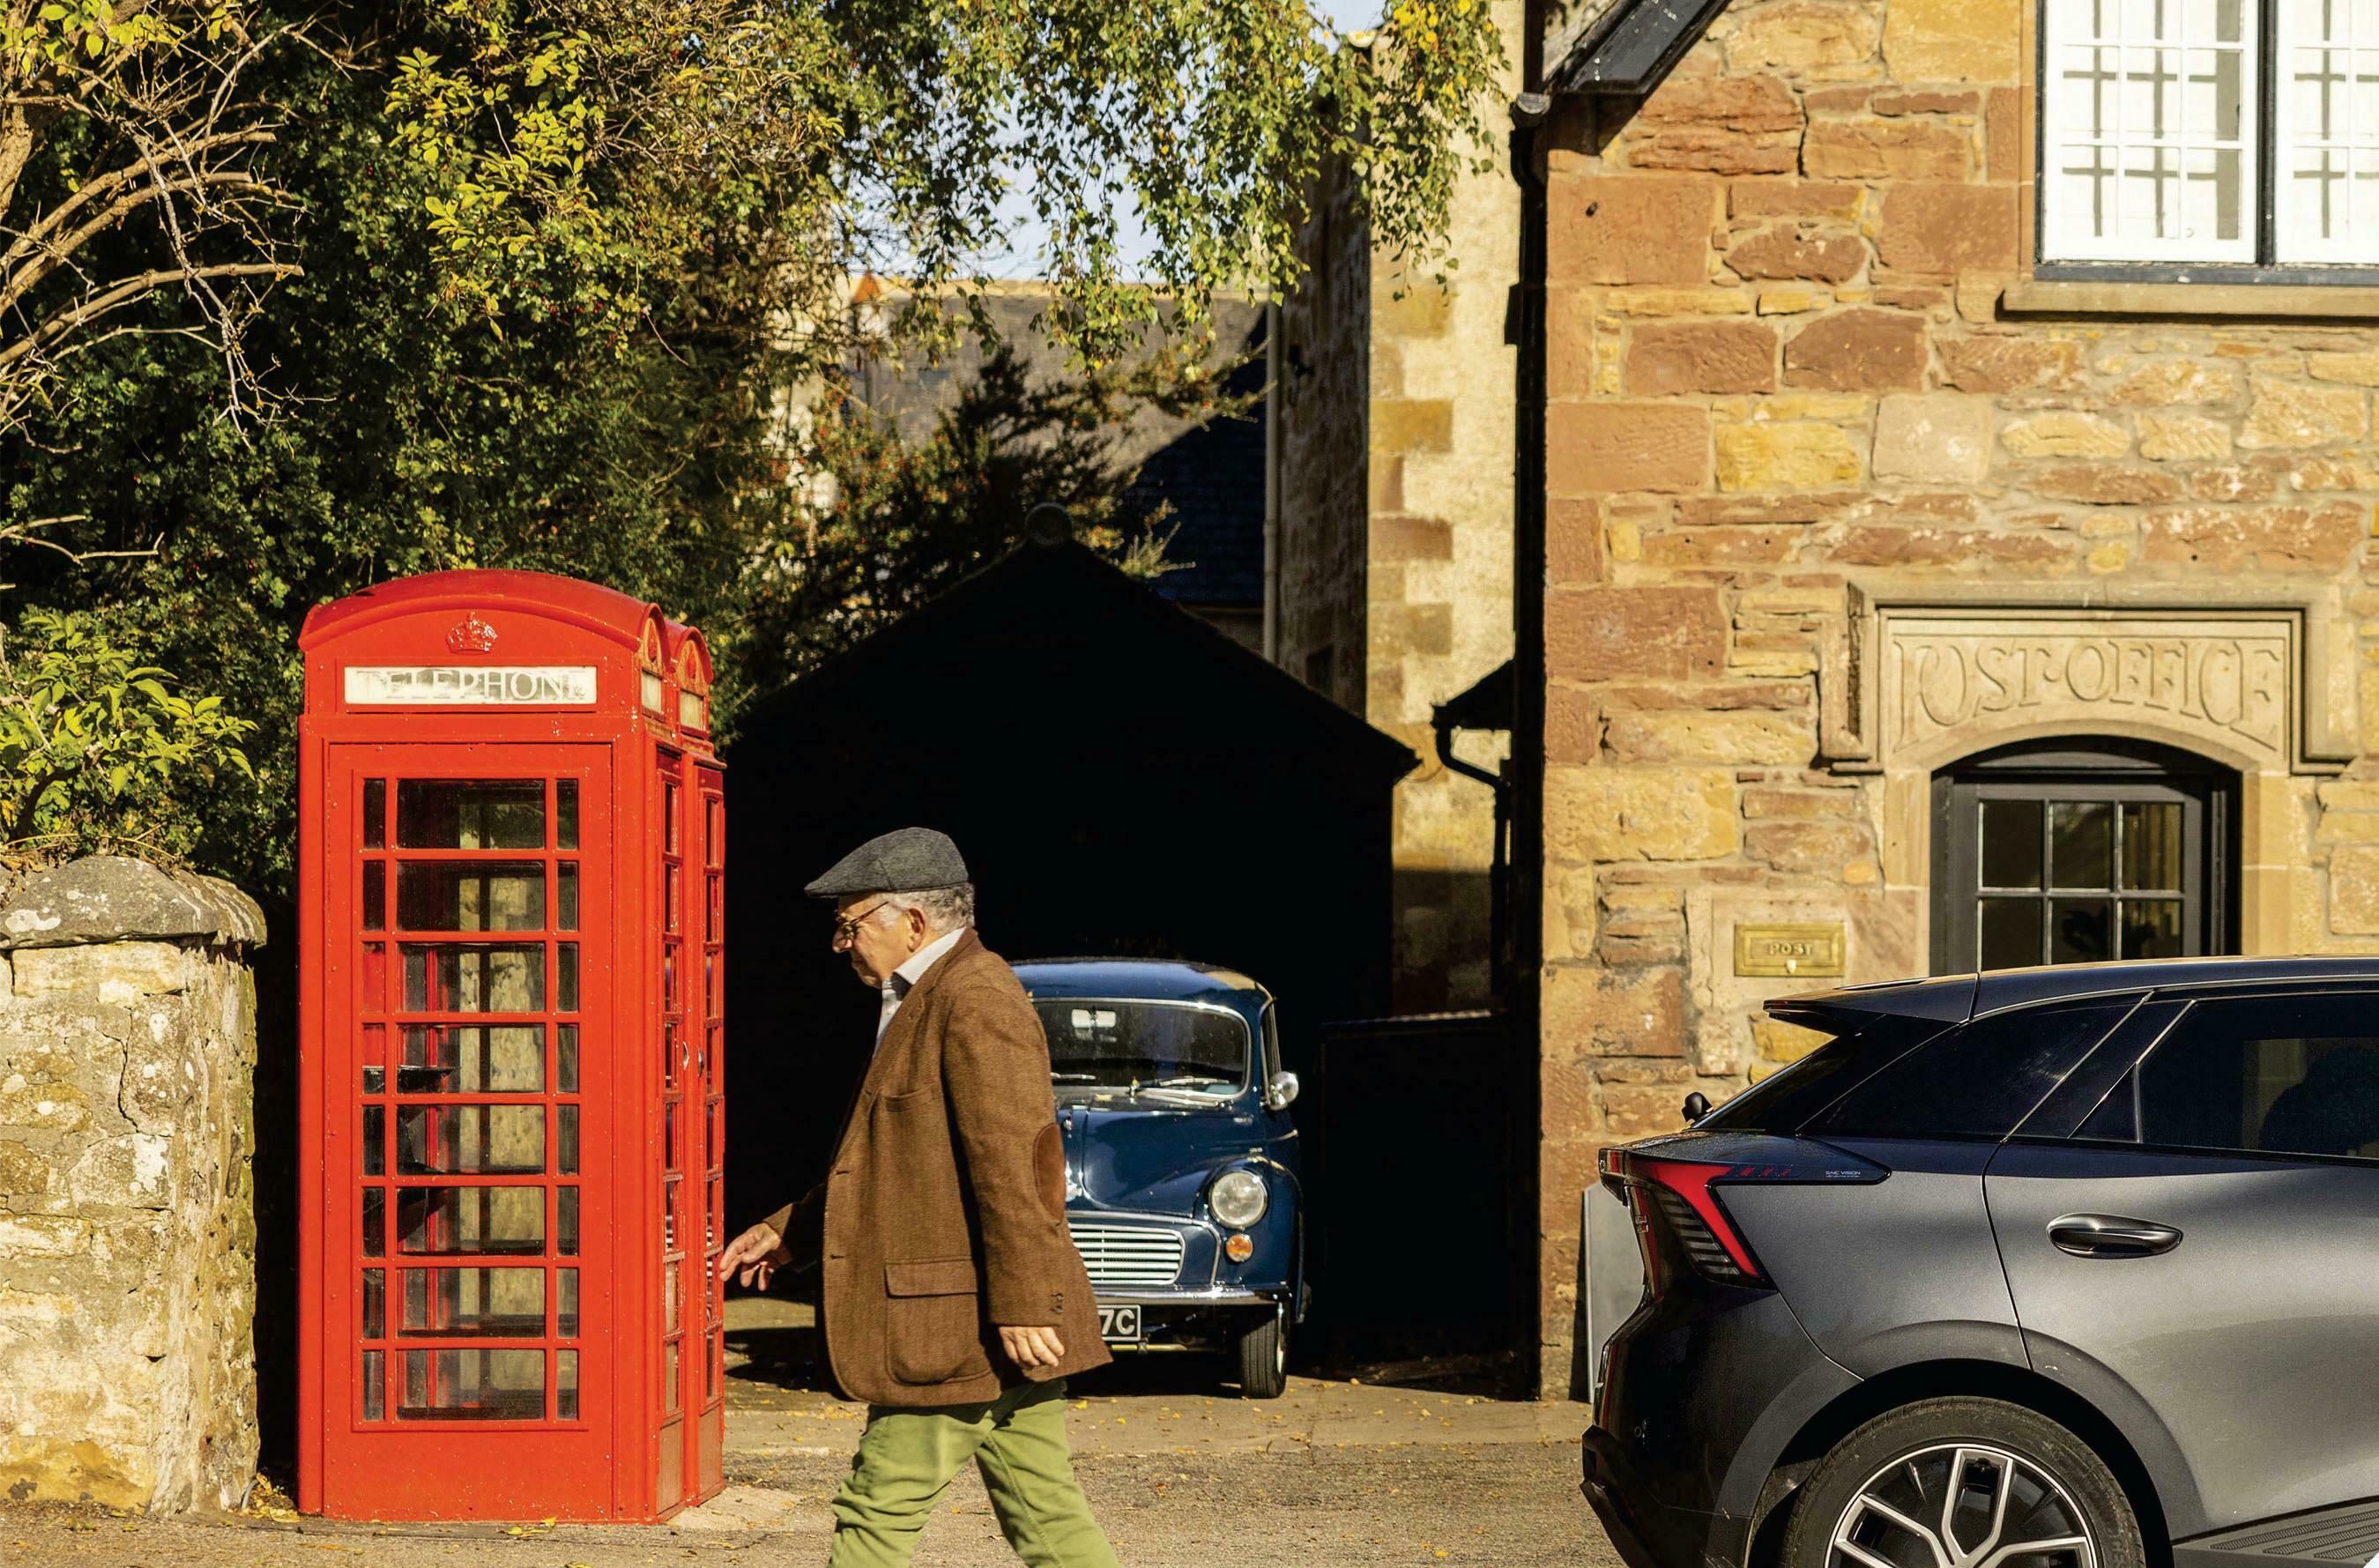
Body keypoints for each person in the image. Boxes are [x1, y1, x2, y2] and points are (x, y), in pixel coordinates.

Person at [717, 827, 1119, 1568]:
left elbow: (1017, 1163)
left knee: (874, 1516)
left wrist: (1026, 1300)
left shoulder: (974, 996)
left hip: (957, 1321)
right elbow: (899, 1164)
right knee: (1050, 1520)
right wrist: (790, 1228)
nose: (841, 945)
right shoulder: (923, 995)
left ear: (914, 921)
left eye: (850, 924)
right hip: (974, 1319)